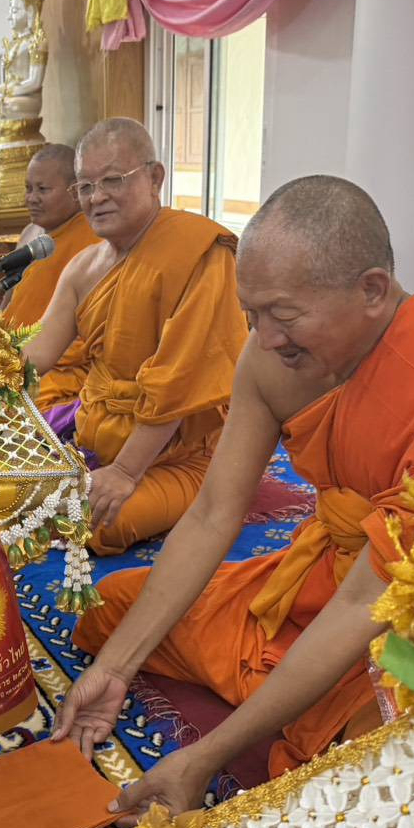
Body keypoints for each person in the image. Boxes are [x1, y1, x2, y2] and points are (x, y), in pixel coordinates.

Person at [53, 175, 414, 820]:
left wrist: (206, 756)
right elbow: (215, 512)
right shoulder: (275, 356)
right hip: (329, 574)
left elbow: (367, 602)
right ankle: (278, 683)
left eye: (284, 315)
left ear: (372, 290)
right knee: (113, 612)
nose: (264, 338)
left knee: (365, 775)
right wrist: (117, 671)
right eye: (252, 315)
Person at [24, 118, 248, 554]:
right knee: (2, 487)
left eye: (112, 180)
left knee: (92, 525)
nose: (97, 197)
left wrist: (126, 470)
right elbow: (37, 353)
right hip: (94, 435)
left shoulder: (198, 252)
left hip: (182, 456)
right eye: (85, 187)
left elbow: (179, 383)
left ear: (155, 177)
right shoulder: (84, 266)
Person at [2, 144, 99, 331]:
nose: (31, 198)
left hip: (50, 351)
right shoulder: (30, 232)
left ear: (75, 192)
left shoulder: (94, 242)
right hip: (9, 346)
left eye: (42, 189)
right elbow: (9, 299)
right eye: (28, 188)